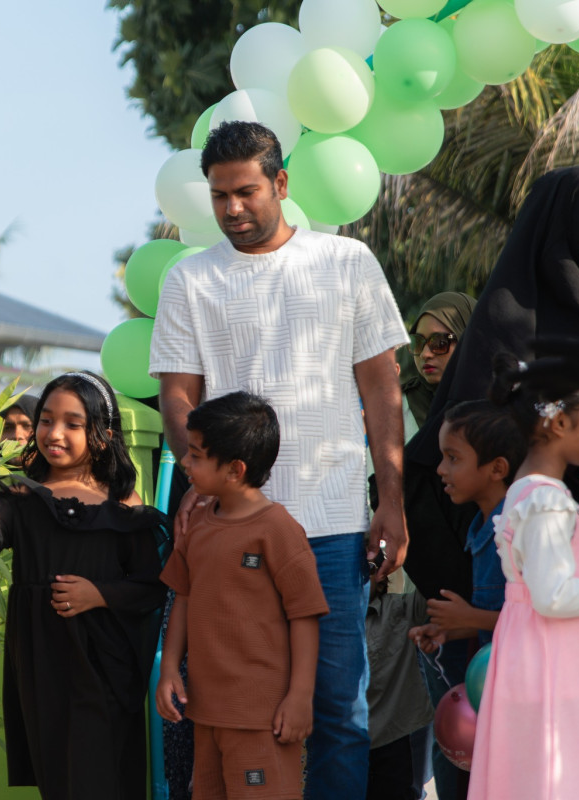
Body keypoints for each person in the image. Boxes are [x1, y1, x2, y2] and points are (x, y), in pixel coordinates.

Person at [150, 120, 409, 798]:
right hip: (229, 529)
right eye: (219, 195)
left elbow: (382, 390)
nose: (232, 208)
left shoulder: (347, 262)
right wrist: (201, 478)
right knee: (235, 709)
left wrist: (391, 501)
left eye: (246, 192)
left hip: (331, 524)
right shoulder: (189, 278)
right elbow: (177, 398)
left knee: (338, 713)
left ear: (282, 183)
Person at [404, 164, 579, 741]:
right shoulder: (510, 314)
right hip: (534, 541)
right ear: (564, 227)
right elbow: (472, 425)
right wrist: (574, 440)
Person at [0, 371, 168, 800]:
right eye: (46, 419)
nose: (54, 433)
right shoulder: (21, 498)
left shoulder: (123, 506)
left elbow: (151, 587)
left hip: (106, 663)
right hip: (45, 662)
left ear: (103, 436)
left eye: (72, 424)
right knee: (61, 776)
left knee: (102, 774)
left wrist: (99, 594)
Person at [466, 356, 579, 798]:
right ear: (560, 423)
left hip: (542, 651)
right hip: (554, 668)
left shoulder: (525, 491)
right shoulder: (546, 501)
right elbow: (552, 596)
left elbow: (539, 588)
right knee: (563, 777)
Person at [155, 391, 328, 799]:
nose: (185, 462)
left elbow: (305, 615)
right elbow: (183, 598)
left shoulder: (278, 530)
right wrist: (169, 669)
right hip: (205, 713)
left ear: (235, 469)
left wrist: (300, 696)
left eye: (196, 455)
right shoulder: (197, 524)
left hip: (261, 719)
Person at [409, 401, 524, 655]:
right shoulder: (480, 528)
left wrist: (471, 617)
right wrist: (452, 631)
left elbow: (540, 620)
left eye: (453, 458)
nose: (440, 469)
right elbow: (502, 621)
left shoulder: (520, 528)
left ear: (497, 468)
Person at [365, 575, 432, 800]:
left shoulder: (400, 610)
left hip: (395, 740)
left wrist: (404, 554)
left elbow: (433, 584)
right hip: (340, 747)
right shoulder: (317, 621)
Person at [401, 293, 476, 431]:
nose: (425, 354)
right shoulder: (398, 407)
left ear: (467, 343)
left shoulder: (502, 406)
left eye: (440, 343)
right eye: (418, 342)